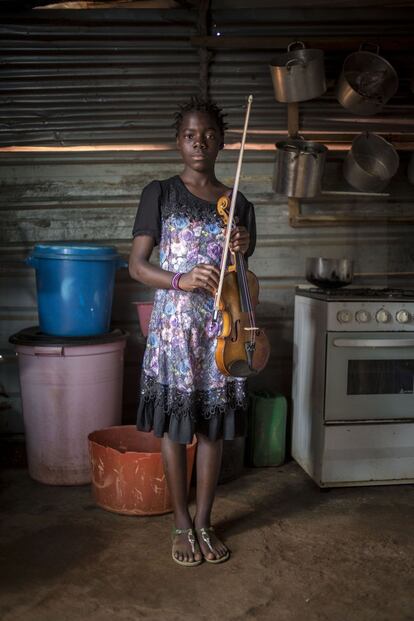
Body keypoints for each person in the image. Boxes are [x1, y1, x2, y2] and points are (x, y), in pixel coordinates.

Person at [129, 96, 256, 567]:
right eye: (189, 134)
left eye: (207, 134)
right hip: (175, 328)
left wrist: (241, 247)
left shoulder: (238, 200)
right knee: (176, 427)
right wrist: (179, 280)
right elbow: (138, 266)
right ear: (178, 141)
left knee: (212, 430)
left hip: (221, 328)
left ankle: (205, 520)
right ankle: (181, 523)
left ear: (221, 141)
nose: (198, 142)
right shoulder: (159, 192)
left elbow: (242, 278)